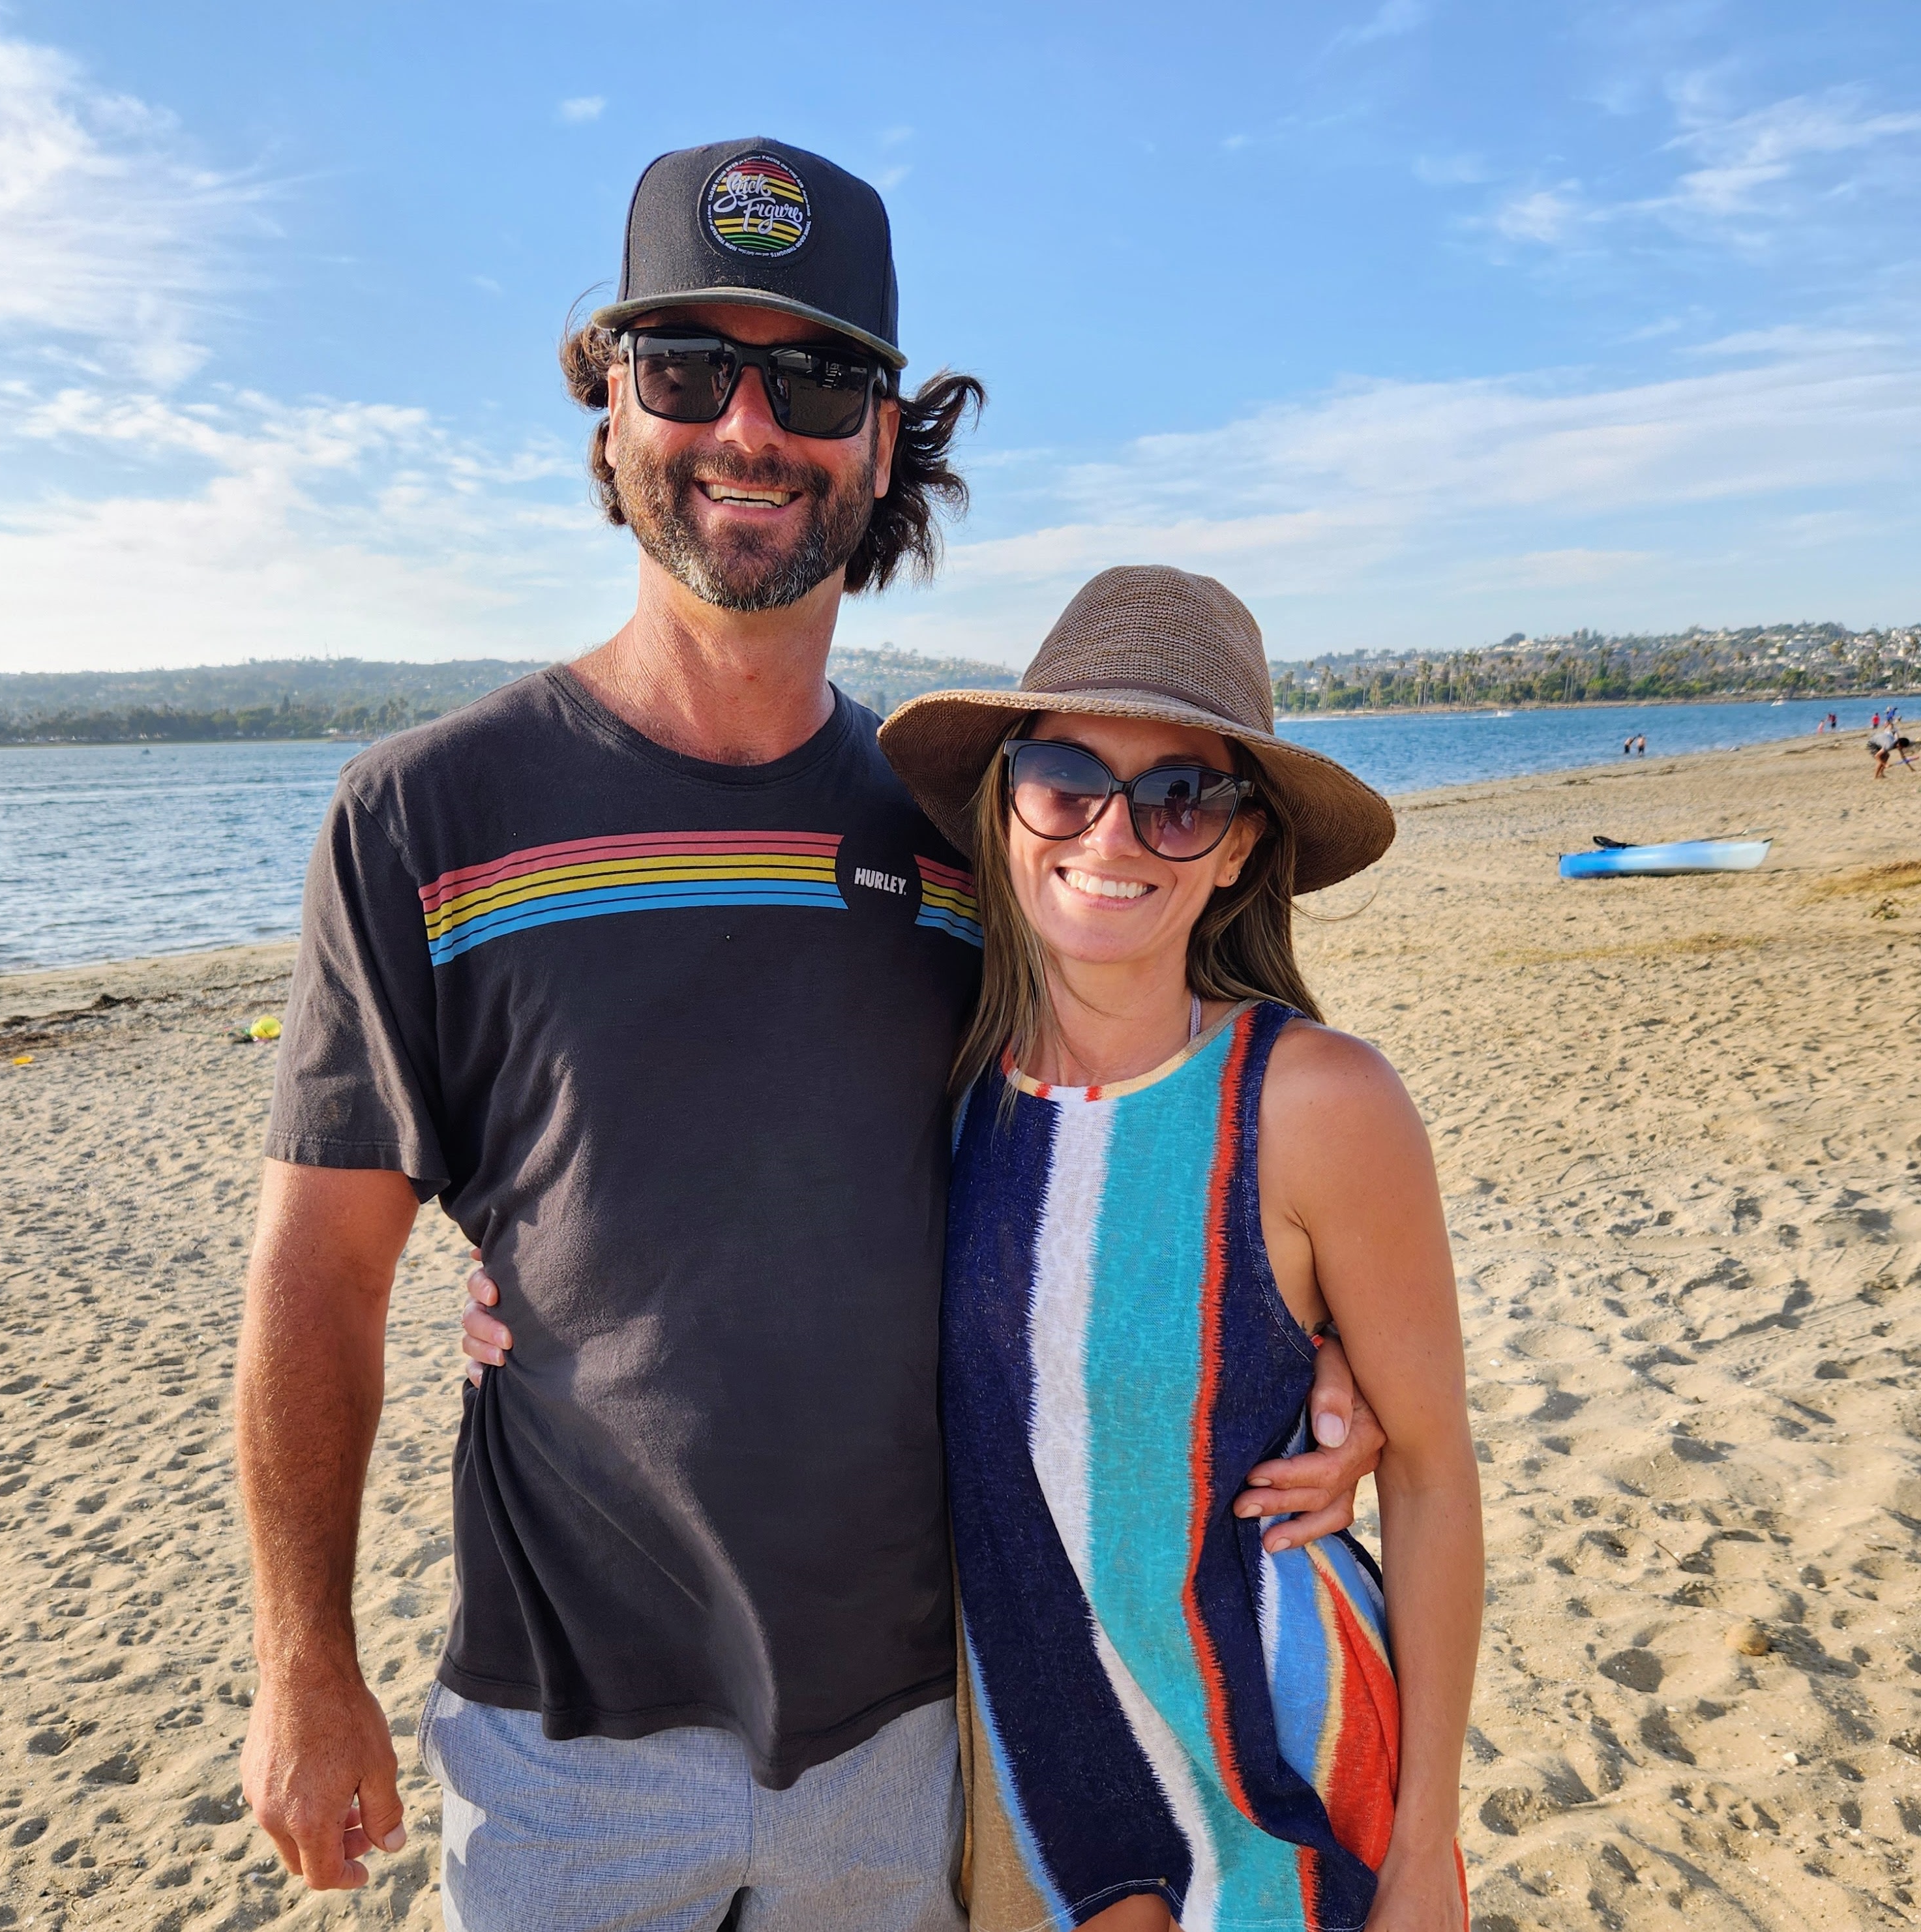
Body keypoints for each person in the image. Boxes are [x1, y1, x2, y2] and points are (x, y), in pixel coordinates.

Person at [241, 140, 1380, 1932]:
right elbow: (318, 1272)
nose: (749, 428)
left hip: (920, 1720)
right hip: (564, 1743)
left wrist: (1324, 1353)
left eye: (821, 382)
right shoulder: (422, 817)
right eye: (689, 368)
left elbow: (1158, 1123)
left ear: (887, 441)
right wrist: (304, 1659)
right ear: (613, 406)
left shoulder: (974, 842)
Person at [874, 567, 1482, 1931]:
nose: (1114, 831)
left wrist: (1428, 1850)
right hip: (1036, 1783)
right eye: (1066, 779)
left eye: (1180, 797)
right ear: (1008, 802)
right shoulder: (943, 1085)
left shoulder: (1318, 1102)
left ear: (1241, 846)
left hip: (1289, 1772)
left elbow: (1436, 1473)